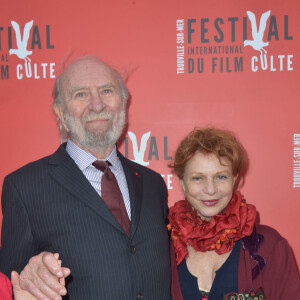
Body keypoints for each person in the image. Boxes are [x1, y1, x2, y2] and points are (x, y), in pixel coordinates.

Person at [0, 56, 171, 300]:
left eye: (107, 91)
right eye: (81, 94)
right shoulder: (24, 187)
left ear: (123, 101)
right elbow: (11, 284)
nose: (97, 105)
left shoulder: (153, 183)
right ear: (60, 111)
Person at [168, 128, 300, 299]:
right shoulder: (163, 247)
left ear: (234, 179)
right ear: (182, 183)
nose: (210, 189)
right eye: (198, 178)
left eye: (220, 177)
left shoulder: (269, 246)